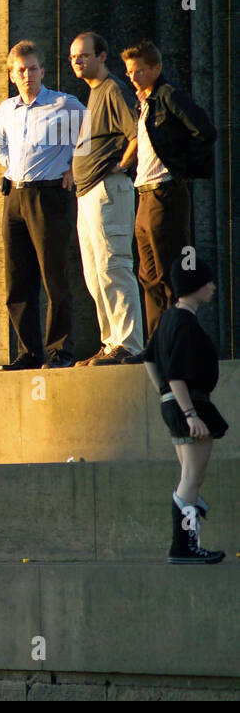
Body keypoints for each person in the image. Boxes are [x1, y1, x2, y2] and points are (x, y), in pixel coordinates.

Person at [0, 40, 86, 370]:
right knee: (17, 282)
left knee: (54, 278)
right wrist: (10, 165)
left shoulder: (65, 104)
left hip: (50, 196)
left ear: (42, 71)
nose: (27, 75)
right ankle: (28, 354)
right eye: (21, 70)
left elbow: (91, 138)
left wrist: (74, 167)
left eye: (32, 69)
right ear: (12, 75)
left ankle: (60, 352)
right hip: (16, 195)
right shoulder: (5, 110)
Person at [122, 40, 217, 340]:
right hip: (144, 193)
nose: (133, 77)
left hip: (164, 192)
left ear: (156, 68)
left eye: (139, 71)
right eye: (129, 72)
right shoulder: (145, 102)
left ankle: (177, 339)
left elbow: (204, 130)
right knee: (147, 275)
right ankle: (156, 341)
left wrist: (186, 170)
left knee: (168, 273)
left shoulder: (168, 96)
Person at [143, 256, 227, 563]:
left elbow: (149, 358)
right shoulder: (184, 323)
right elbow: (176, 373)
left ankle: (187, 539)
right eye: (208, 282)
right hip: (190, 405)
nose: (214, 288)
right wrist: (190, 413)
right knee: (191, 478)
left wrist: (164, 394)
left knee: (190, 476)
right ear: (195, 287)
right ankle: (184, 545)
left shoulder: (168, 318)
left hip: (176, 404)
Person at [68, 32, 144, 366]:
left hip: (108, 190)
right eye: (74, 57)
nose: (78, 61)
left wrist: (122, 164)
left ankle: (129, 344)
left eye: (84, 55)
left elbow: (139, 131)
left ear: (102, 56)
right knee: (94, 274)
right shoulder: (94, 94)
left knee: (114, 266)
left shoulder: (113, 89)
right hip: (87, 195)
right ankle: (111, 342)